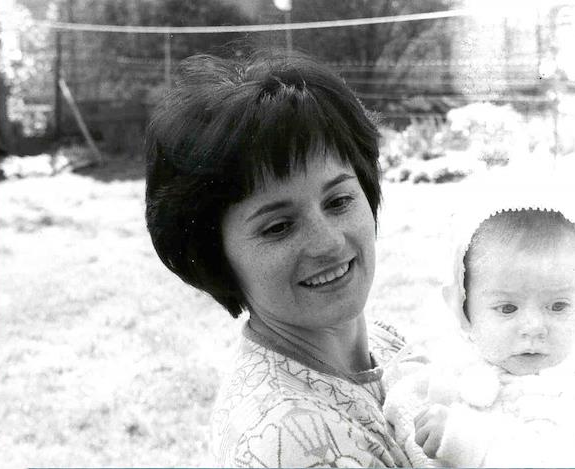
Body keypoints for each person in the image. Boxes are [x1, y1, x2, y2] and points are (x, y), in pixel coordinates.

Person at [144, 49, 411, 467]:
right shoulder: (292, 441)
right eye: (279, 227)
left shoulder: (385, 341)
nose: (328, 243)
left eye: (338, 201)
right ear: (217, 256)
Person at [383, 207, 575, 467]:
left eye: (558, 306)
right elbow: (402, 409)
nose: (534, 327)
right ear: (463, 311)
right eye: (508, 308)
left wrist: (466, 445)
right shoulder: (451, 370)